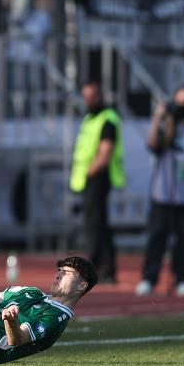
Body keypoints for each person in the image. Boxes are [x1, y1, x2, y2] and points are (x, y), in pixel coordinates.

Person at [137, 88, 184, 298]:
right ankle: (149, 278)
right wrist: (158, 117)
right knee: (157, 238)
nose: (183, 107)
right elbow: (152, 144)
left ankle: (182, 278)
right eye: (179, 102)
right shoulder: (166, 125)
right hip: (163, 194)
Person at [70, 82, 125, 284]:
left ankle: (96, 269)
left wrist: (88, 173)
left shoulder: (107, 120)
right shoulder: (91, 118)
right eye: (85, 96)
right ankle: (107, 270)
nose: (88, 100)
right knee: (98, 224)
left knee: (95, 226)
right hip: (90, 179)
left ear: (100, 96)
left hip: (98, 178)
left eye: (91, 96)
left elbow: (105, 153)